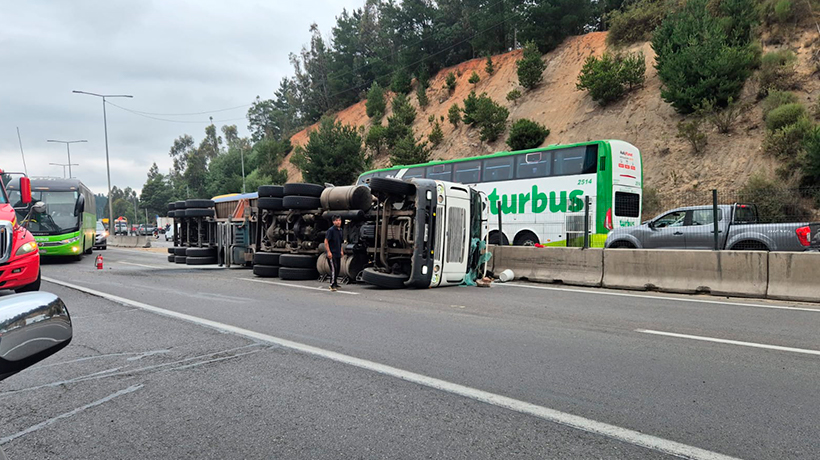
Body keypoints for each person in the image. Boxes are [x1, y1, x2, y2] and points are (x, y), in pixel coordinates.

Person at [324, 215, 344, 291]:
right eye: (336, 220)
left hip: (337, 252)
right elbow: (326, 241)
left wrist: (341, 250)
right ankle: (332, 284)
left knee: (338, 269)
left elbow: (340, 242)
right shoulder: (331, 230)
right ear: (333, 222)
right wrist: (328, 252)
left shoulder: (340, 230)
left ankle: (335, 282)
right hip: (332, 253)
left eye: (339, 220)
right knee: (334, 269)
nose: (338, 222)